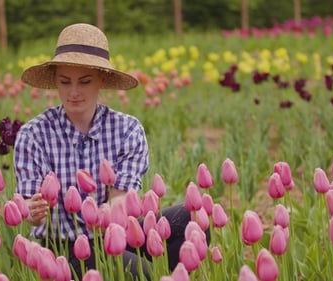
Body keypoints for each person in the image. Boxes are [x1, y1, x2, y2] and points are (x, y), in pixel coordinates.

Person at [13, 23, 197, 280]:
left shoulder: (127, 129)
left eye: (84, 82)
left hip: (112, 231)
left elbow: (121, 199)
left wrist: (99, 215)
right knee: (139, 271)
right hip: (64, 248)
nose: (73, 92)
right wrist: (31, 212)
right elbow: (28, 208)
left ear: (102, 80)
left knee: (192, 218)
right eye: (64, 82)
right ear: (55, 81)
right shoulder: (34, 135)